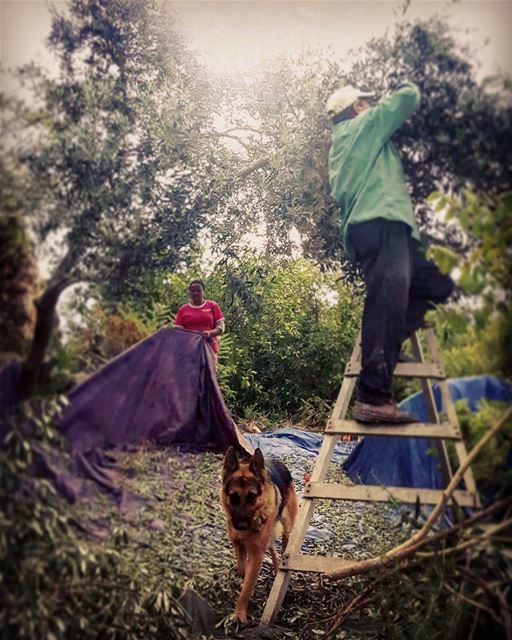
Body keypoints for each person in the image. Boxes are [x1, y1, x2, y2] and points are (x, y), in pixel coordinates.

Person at [326, 81, 454, 424]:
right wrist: (395, 87)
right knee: (385, 298)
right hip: (380, 220)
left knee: (436, 285)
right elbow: (408, 97)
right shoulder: (362, 126)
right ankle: (373, 396)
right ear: (357, 107)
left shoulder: (346, 143)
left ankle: (387, 335)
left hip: (379, 226)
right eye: (366, 102)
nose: (371, 106)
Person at [174, 280, 225, 360]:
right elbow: (178, 331)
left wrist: (210, 333)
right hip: (189, 351)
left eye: (198, 290)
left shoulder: (212, 306)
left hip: (209, 349)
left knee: (208, 372)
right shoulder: (183, 309)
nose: (195, 293)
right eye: (193, 291)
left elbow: (221, 327)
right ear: (189, 293)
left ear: (203, 291)